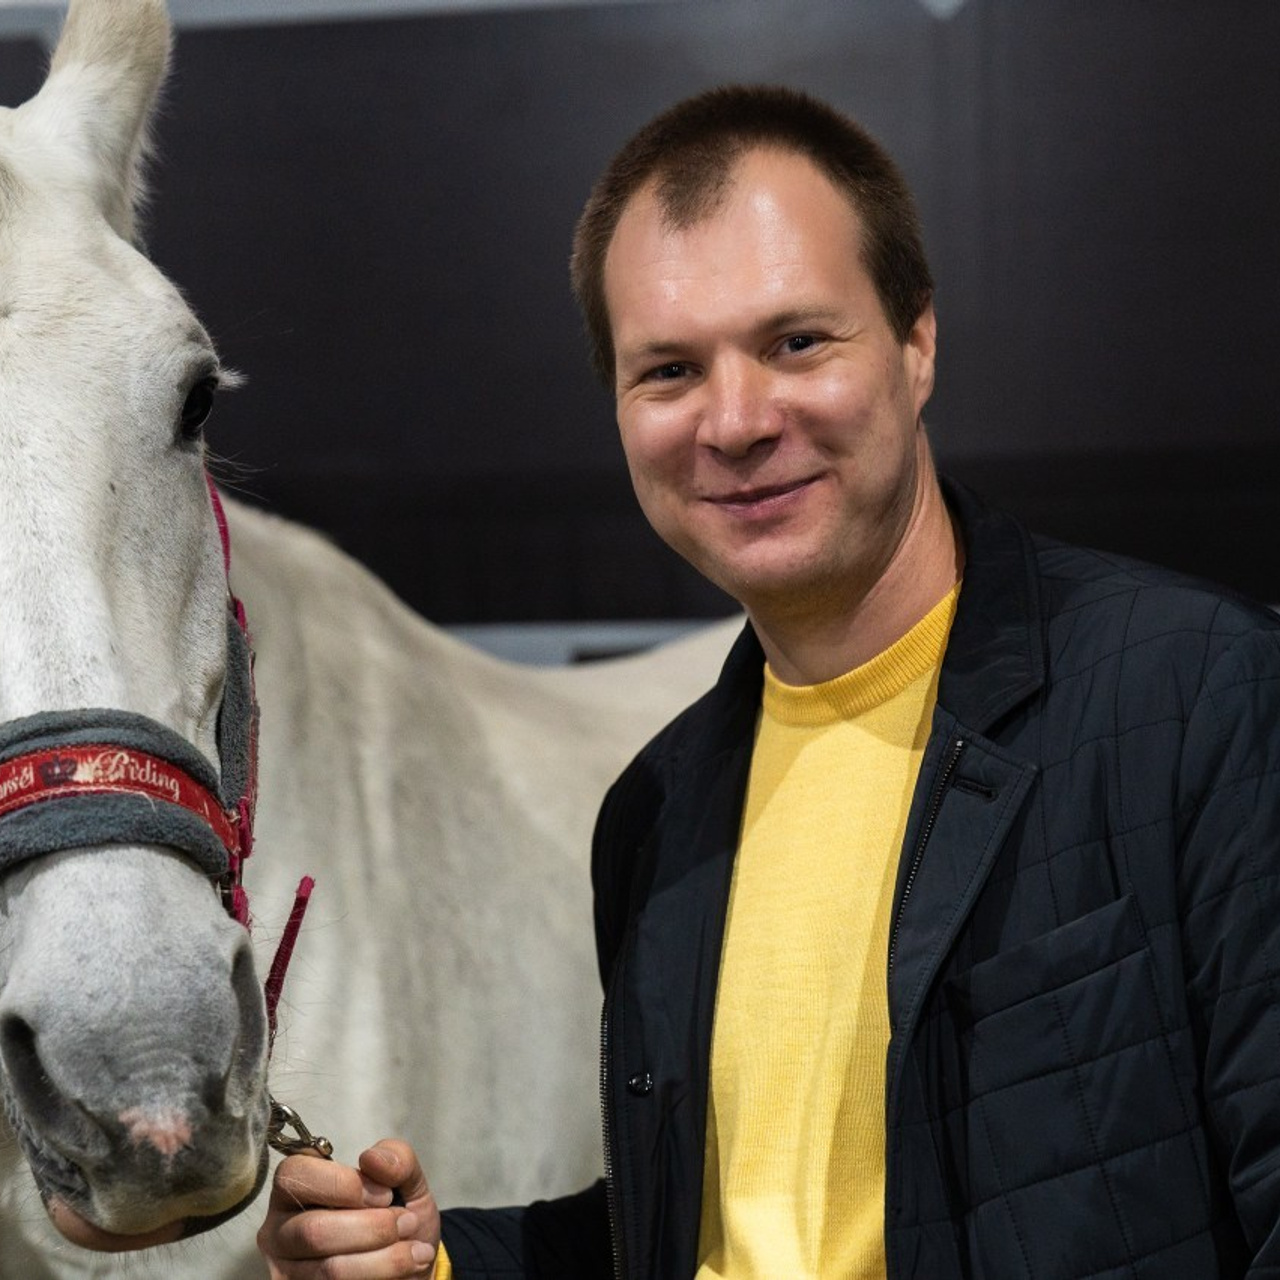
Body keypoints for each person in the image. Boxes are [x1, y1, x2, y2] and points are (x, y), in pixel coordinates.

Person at [257, 84, 1280, 1279]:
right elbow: (699, 1228)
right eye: (669, 371)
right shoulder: (656, 809)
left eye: (795, 341)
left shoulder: (1198, 694)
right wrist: (418, 1260)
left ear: (915, 340)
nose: (734, 420)